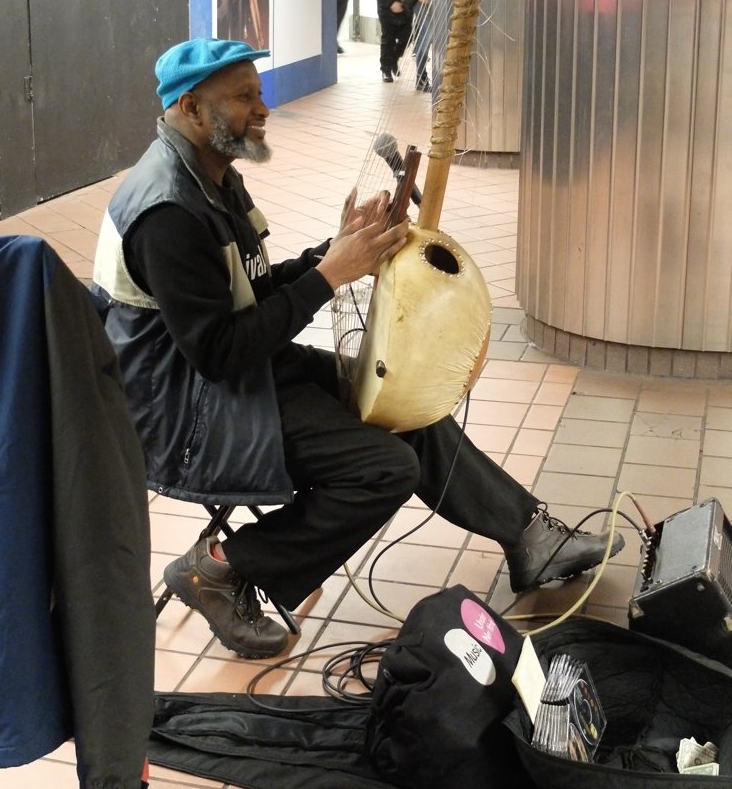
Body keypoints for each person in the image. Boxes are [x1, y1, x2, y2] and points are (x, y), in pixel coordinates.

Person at [92, 38, 623, 661]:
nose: (262, 108)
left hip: (238, 375)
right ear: (189, 106)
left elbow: (250, 296)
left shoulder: (209, 172)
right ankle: (220, 568)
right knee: (384, 467)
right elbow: (216, 352)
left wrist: (336, 250)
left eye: (258, 93)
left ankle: (532, 537)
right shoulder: (169, 211)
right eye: (242, 97)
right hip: (192, 412)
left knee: (399, 396)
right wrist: (329, 277)